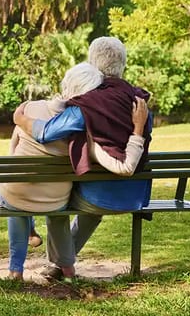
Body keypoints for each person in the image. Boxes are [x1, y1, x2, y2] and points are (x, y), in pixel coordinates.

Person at [13, 36, 152, 280]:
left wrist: (21, 119)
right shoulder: (138, 100)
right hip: (136, 195)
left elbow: (46, 132)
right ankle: (61, 265)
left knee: (57, 199)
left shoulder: (87, 105)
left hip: (100, 195)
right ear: (123, 64)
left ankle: (62, 264)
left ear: (93, 63)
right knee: (87, 202)